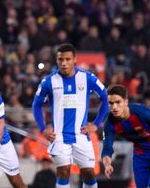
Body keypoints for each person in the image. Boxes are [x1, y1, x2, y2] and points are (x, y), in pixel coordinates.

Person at [31, 44, 109, 188]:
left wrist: (96, 124)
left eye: (67, 59)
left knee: (89, 174)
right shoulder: (49, 81)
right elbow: (36, 105)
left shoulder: (87, 78)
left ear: (75, 60)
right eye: (60, 59)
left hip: (81, 135)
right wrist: (43, 128)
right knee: (63, 171)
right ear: (56, 60)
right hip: (59, 136)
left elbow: (106, 98)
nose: (64, 63)